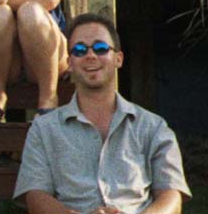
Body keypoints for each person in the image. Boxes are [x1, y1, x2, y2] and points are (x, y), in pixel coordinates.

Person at [14, 12, 192, 214]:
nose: (90, 56)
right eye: (79, 50)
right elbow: (35, 197)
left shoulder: (154, 127)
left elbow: (171, 196)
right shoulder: (43, 129)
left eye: (100, 48)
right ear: (69, 63)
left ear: (118, 59)